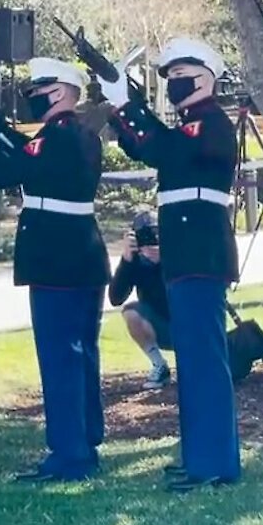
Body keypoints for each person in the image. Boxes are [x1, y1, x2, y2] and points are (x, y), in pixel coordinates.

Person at [101, 37, 241, 493]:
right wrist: (123, 105)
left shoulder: (212, 124)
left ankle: (216, 462)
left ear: (205, 79)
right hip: (186, 256)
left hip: (201, 254)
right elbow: (145, 145)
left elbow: (163, 149)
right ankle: (200, 456)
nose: (174, 85)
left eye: (180, 77)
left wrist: (128, 101)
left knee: (204, 361)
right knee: (194, 363)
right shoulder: (187, 126)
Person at [0, 57, 108, 483]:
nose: (31, 98)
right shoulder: (76, 134)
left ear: (61, 92)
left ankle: (68, 454)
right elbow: (26, 152)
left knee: (60, 356)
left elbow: (11, 169)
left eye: (38, 91)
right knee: (81, 354)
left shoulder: (58, 136)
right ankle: (85, 441)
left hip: (55, 256)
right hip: (82, 251)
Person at [109, 211, 172, 389]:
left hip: (189, 326)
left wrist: (165, 257)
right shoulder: (136, 262)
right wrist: (127, 261)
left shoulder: (176, 254)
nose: (151, 241)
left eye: (155, 234)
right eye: (144, 236)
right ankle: (159, 364)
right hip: (160, 325)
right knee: (131, 312)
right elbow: (115, 298)